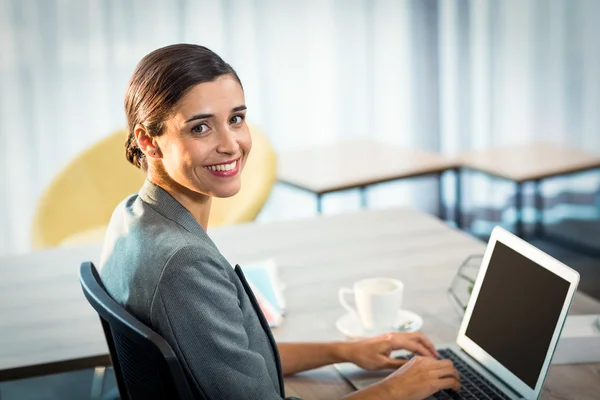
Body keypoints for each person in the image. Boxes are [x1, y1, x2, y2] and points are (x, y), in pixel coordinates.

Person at [99, 43, 461, 400]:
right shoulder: (184, 265)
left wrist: (345, 351)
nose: (231, 144)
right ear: (149, 141)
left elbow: (227, 358)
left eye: (236, 119)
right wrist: (395, 390)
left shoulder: (131, 217)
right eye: (200, 128)